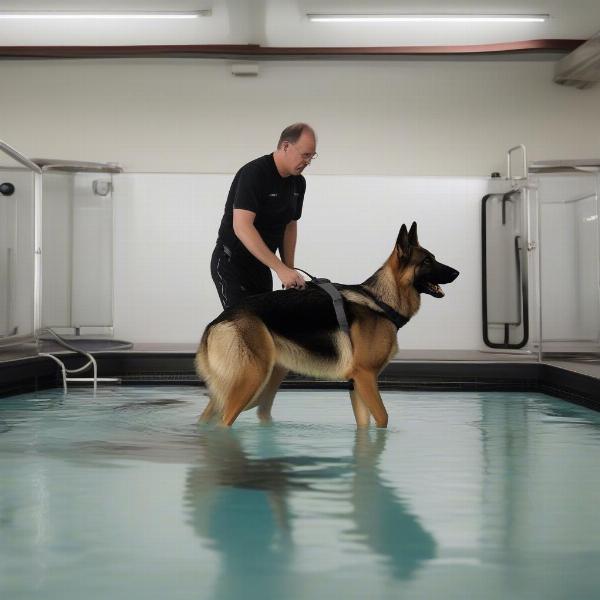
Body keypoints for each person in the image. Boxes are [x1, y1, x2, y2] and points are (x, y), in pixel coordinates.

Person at [210, 122, 317, 309]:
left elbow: (290, 225)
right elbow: (242, 227)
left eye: (312, 156)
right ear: (285, 146)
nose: (308, 162)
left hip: (262, 265)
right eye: (305, 155)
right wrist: (280, 269)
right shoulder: (254, 173)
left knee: (266, 326)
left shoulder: (299, 183)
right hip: (232, 264)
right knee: (243, 327)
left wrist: (289, 268)